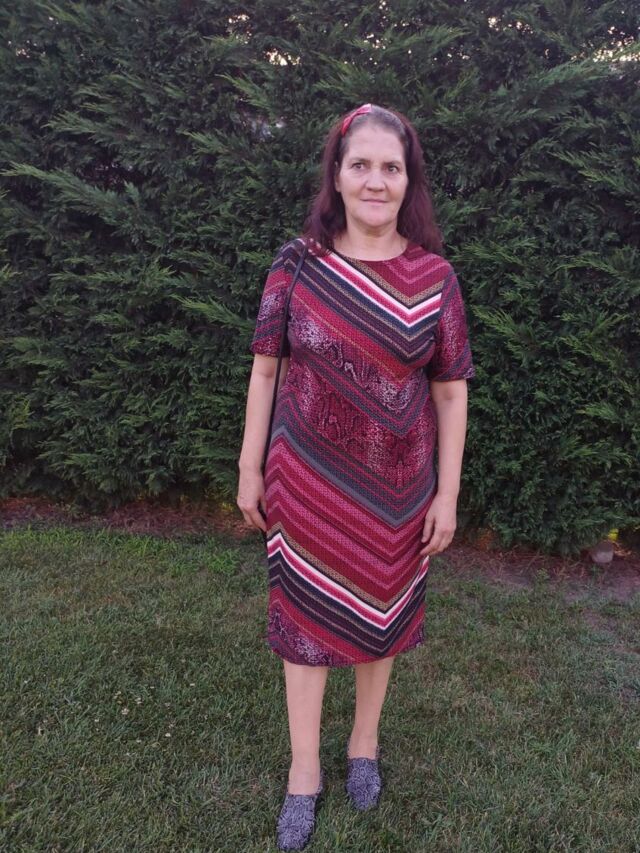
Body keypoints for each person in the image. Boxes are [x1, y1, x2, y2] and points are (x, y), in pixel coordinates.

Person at [237, 103, 475, 851]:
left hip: (396, 491)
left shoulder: (434, 279)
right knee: (303, 623)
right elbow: (266, 370)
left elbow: (450, 391)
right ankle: (303, 770)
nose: (376, 180)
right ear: (336, 177)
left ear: (409, 181)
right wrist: (248, 465)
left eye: (391, 167)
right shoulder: (297, 264)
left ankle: (363, 745)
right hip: (304, 483)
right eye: (361, 165)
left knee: (380, 618)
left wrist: (447, 492)